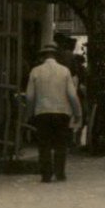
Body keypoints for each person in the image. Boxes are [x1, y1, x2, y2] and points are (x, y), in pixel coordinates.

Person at [25, 42, 82, 183]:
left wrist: (29, 113)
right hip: (62, 112)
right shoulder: (65, 71)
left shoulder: (35, 71)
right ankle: (60, 173)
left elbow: (29, 96)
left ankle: (46, 174)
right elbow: (72, 95)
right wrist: (78, 112)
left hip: (42, 112)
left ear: (43, 56)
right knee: (60, 144)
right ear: (56, 56)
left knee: (44, 144)